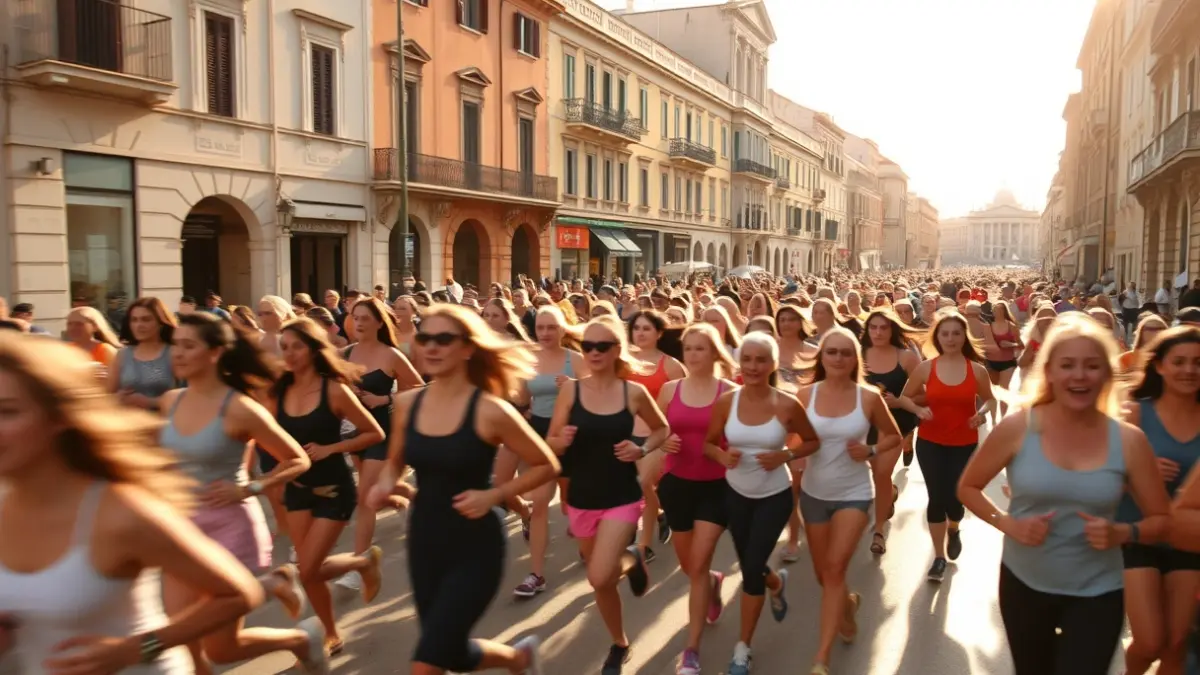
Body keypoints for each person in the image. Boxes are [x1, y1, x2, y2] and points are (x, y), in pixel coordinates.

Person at [0, 334, 263, 675]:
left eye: (7, 412)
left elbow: (238, 594)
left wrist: (135, 649)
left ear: (59, 417)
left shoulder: (120, 513)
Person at [958, 312, 1170, 675]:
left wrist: (1124, 532)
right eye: (1067, 364)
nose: (1079, 375)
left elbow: (1162, 520)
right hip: (1025, 584)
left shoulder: (1129, 441)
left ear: (1106, 373)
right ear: (1050, 371)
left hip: (1099, 591)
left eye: (1091, 365)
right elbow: (968, 487)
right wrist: (1008, 524)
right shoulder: (1019, 427)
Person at [368, 304, 559, 675]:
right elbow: (395, 462)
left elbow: (547, 464)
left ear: (468, 348)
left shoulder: (491, 410)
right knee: (449, 652)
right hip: (425, 538)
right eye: (425, 338)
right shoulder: (407, 403)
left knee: (426, 664)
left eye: (444, 339)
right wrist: (385, 486)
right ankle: (518, 659)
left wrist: (492, 495)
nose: (431, 347)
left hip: (476, 543)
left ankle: (517, 659)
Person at [159, 312, 328, 674]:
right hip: (179, 529)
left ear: (216, 353)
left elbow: (297, 460)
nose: (179, 353)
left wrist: (249, 488)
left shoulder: (239, 408)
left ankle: (300, 639)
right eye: (176, 344)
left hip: (226, 527)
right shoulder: (169, 400)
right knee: (181, 630)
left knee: (221, 650)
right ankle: (277, 584)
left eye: (189, 345)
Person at [546, 315, 669, 675]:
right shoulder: (571, 390)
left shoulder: (633, 392)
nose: (594, 352)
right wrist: (561, 441)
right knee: (602, 579)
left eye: (602, 346)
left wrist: (642, 449)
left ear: (617, 350)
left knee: (598, 577)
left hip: (621, 494)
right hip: (582, 496)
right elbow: (550, 439)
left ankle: (628, 560)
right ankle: (620, 640)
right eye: (587, 346)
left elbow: (662, 429)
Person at [704, 332, 819, 675]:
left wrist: (785, 454)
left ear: (772, 364)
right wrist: (724, 456)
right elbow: (709, 444)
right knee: (751, 562)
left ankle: (743, 649)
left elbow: (812, 441)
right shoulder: (727, 401)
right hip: (735, 494)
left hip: (774, 496)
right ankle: (775, 583)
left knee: (751, 568)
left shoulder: (787, 404)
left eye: (760, 360)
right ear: (740, 362)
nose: (753, 366)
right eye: (748, 359)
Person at [270, 318, 387, 653]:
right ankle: (332, 633)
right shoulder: (277, 390)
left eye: (297, 346)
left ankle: (361, 564)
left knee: (306, 568)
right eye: (284, 348)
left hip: (334, 487)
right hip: (297, 488)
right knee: (309, 573)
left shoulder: (333, 390)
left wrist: (329, 449)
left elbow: (373, 434)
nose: (289, 354)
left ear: (313, 349)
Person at [797, 327, 902, 675]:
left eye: (845, 353)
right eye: (832, 352)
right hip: (813, 493)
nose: (839, 358)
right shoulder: (804, 395)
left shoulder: (868, 397)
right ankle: (847, 605)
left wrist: (870, 450)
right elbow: (789, 436)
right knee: (821, 574)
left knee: (835, 569)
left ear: (855, 358)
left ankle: (820, 658)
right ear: (822, 357)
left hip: (854, 493)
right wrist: (791, 455)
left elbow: (893, 437)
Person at [655, 323, 738, 675]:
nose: (692, 355)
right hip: (676, 485)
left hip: (717, 487)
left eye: (700, 348)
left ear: (715, 352)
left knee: (698, 567)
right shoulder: (670, 390)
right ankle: (714, 584)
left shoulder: (731, 392)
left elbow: (742, 437)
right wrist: (662, 441)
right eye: (687, 348)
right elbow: (657, 429)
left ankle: (691, 649)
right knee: (691, 568)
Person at [1119, 326, 1200, 675]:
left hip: (1189, 542)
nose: (1189, 370)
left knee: (1176, 645)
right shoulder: (1137, 411)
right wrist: (1142, 468)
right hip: (1139, 536)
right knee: (1150, 641)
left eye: (1198, 363)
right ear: (1160, 366)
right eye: (1178, 361)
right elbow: (1105, 477)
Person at [899, 310, 995, 582]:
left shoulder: (976, 369)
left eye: (956, 333)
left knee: (955, 499)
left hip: (963, 442)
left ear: (964, 336)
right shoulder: (926, 367)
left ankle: (955, 526)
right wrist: (918, 410)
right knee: (936, 497)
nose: (951, 338)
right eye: (945, 334)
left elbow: (990, 399)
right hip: (930, 442)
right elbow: (905, 397)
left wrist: (983, 413)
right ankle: (938, 557)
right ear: (937, 337)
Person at [111, 297, 178, 411]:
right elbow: (107, 396)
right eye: (134, 320)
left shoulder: (174, 353)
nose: (139, 325)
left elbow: (190, 395)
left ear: (160, 323)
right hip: (129, 423)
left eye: (146, 319)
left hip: (165, 423)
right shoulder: (122, 355)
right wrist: (117, 399)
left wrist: (152, 402)